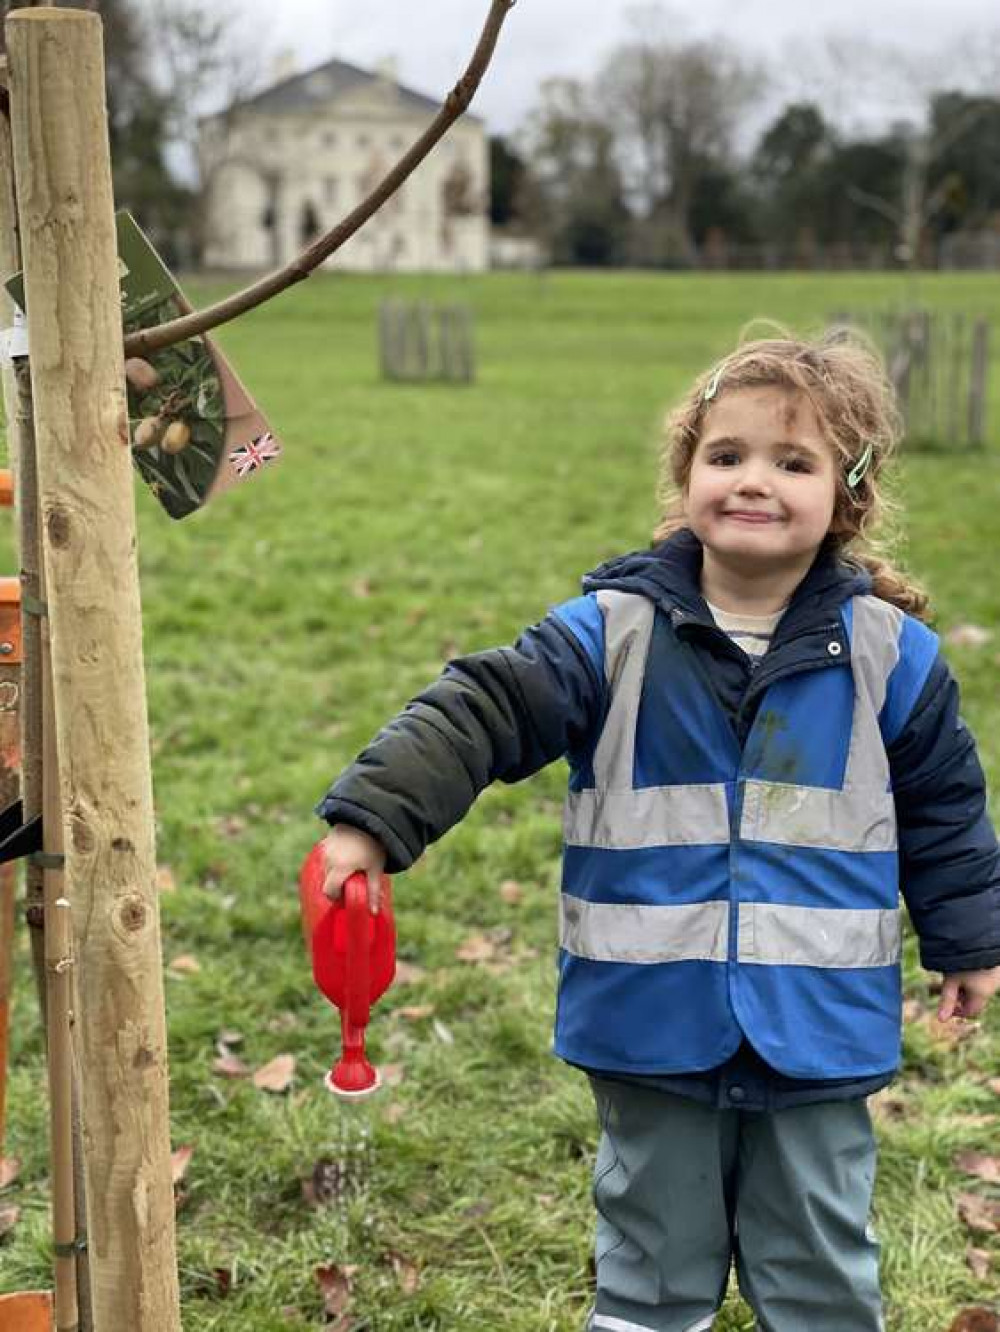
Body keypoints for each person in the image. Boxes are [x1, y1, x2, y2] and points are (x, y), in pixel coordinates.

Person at [315, 332, 1000, 1332]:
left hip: (816, 1031)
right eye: (725, 456)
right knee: (649, 1272)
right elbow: (480, 709)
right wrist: (370, 821)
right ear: (685, 478)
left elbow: (946, 806)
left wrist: (969, 938)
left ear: (845, 498)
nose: (751, 480)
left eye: (791, 461)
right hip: (649, 1024)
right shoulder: (606, 632)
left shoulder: (892, 659)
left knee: (818, 1270)